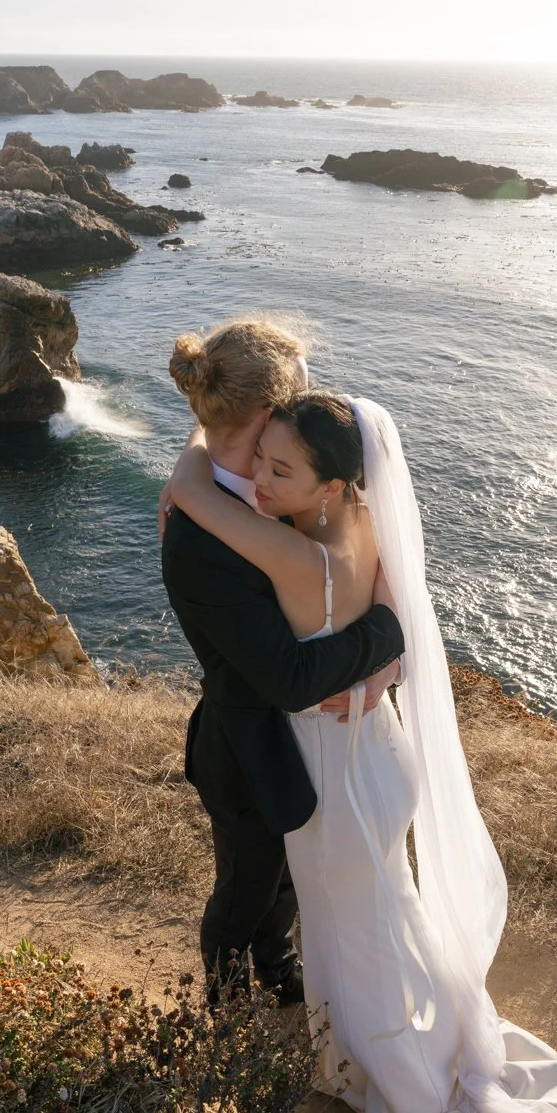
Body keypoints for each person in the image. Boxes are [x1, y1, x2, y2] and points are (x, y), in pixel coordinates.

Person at [165, 385, 557, 1113]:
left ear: (334, 485)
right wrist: (380, 657)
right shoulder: (373, 531)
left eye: (280, 469)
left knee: (353, 925)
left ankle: (398, 1079)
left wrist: (198, 466)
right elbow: (397, 623)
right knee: (387, 908)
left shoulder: (295, 556)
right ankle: (393, 1038)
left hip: (331, 771)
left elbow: (197, 492)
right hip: (382, 757)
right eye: (262, 463)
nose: (263, 484)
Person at [160, 316, 404, 1007]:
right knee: (248, 887)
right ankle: (228, 1010)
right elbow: (287, 680)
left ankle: (279, 963)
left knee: (293, 883)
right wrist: (389, 635)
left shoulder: (262, 485)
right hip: (248, 747)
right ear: (265, 415)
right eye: (291, 404)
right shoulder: (200, 540)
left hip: (311, 745)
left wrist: (189, 464)